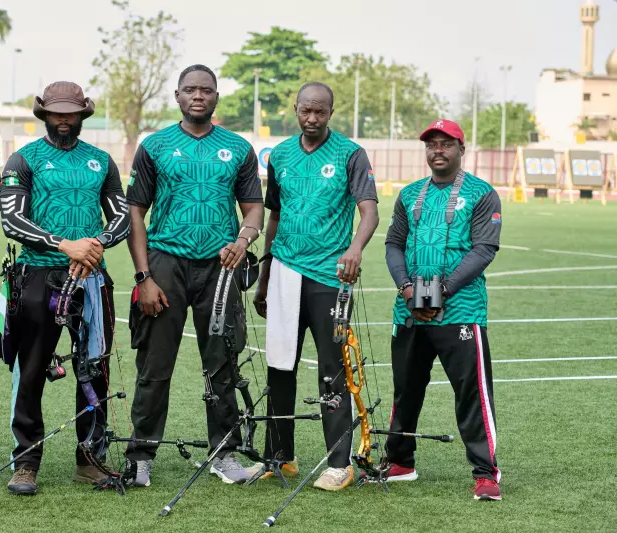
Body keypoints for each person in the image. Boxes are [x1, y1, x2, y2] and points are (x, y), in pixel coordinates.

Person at [125, 64, 264, 486]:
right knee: (154, 365)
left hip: (220, 267)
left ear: (216, 98)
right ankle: (141, 456)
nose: (198, 96)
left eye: (206, 90)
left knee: (221, 362)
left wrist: (242, 241)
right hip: (165, 263)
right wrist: (143, 276)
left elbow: (253, 207)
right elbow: (135, 212)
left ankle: (224, 454)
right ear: (177, 96)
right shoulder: (155, 145)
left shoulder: (238, 148)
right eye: (190, 90)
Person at [0, 81, 129, 495]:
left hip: (91, 281)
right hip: (38, 278)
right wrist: (63, 244)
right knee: (33, 369)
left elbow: (121, 217)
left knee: (94, 370)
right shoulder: (24, 159)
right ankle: (26, 463)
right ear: (44, 114)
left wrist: (95, 245)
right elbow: (11, 221)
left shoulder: (101, 161)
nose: (64, 118)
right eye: (56, 112)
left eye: (71, 112)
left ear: (83, 114)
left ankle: (90, 459)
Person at [251, 82, 380, 491]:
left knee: (332, 370)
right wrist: (265, 278)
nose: (311, 118)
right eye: (305, 111)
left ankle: (339, 463)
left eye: (319, 112)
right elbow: (274, 217)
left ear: (330, 112)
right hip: (285, 272)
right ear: (295, 109)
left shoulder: (350, 154)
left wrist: (355, 248)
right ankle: (279, 456)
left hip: (329, 275)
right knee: (280, 365)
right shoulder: (282, 155)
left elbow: (369, 211)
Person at [383, 119, 502, 501]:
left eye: (446, 144)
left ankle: (486, 473)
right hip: (408, 312)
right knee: (406, 389)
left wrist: (439, 293)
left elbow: (484, 249)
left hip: (461, 312)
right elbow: (393, 244)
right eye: (432, 144)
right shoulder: (409, 194)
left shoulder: (483, 194)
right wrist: (406, 289)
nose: (438, 150)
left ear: (461, 149)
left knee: (472, 394)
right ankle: (400, 461)